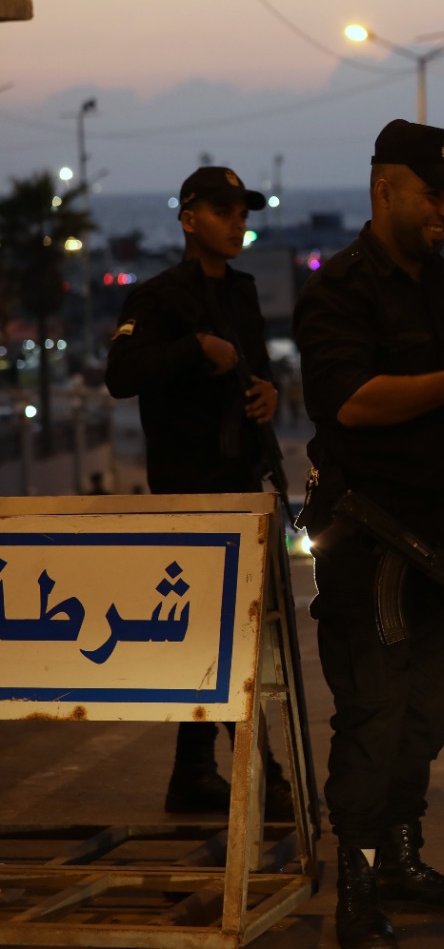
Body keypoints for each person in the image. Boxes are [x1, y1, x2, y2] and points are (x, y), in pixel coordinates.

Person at [293, 118, 444, 949]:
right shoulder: (337, 292)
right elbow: (351, 402)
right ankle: (356, 892)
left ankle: (401, 856)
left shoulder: (442, 289)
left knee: (428, 711)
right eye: (434, 194)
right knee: (374, 714)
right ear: (384, 188)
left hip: (443, 535)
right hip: (367, 535)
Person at [103, 165, 293, 820]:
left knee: (222, 640)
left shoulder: (240, 293)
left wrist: (272, 395)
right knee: (219, 639)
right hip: (189, 494)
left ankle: (194, 773)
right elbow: (121, 375)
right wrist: (192, 347)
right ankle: (254, 772)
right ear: (190, 219)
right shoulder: (157, 299)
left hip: (241, 486)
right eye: (224, 211)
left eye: (243, 211)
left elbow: (260, 370)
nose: (239, 221)